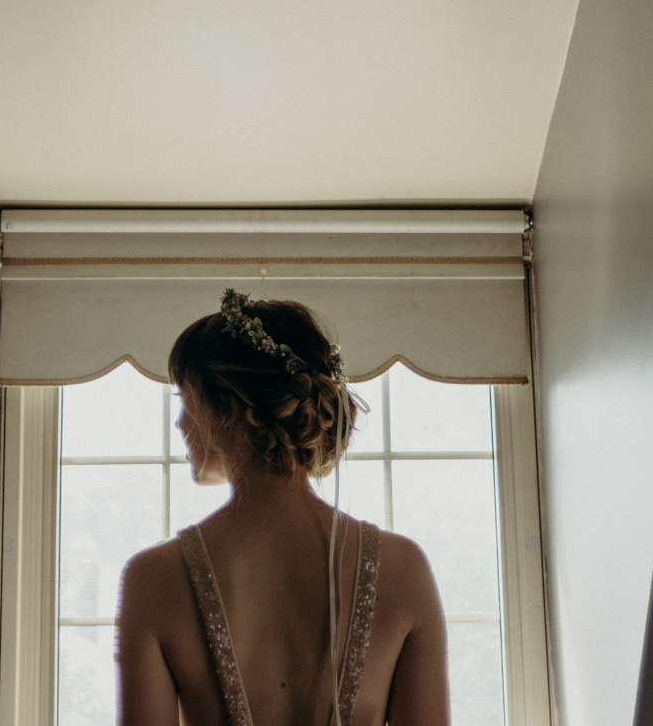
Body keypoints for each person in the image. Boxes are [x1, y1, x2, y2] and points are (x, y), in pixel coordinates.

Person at [117, 291, 450, 726]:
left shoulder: (154, 579)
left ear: (230, 409)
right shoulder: (404, 569)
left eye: (184, 400)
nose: (180, 422)